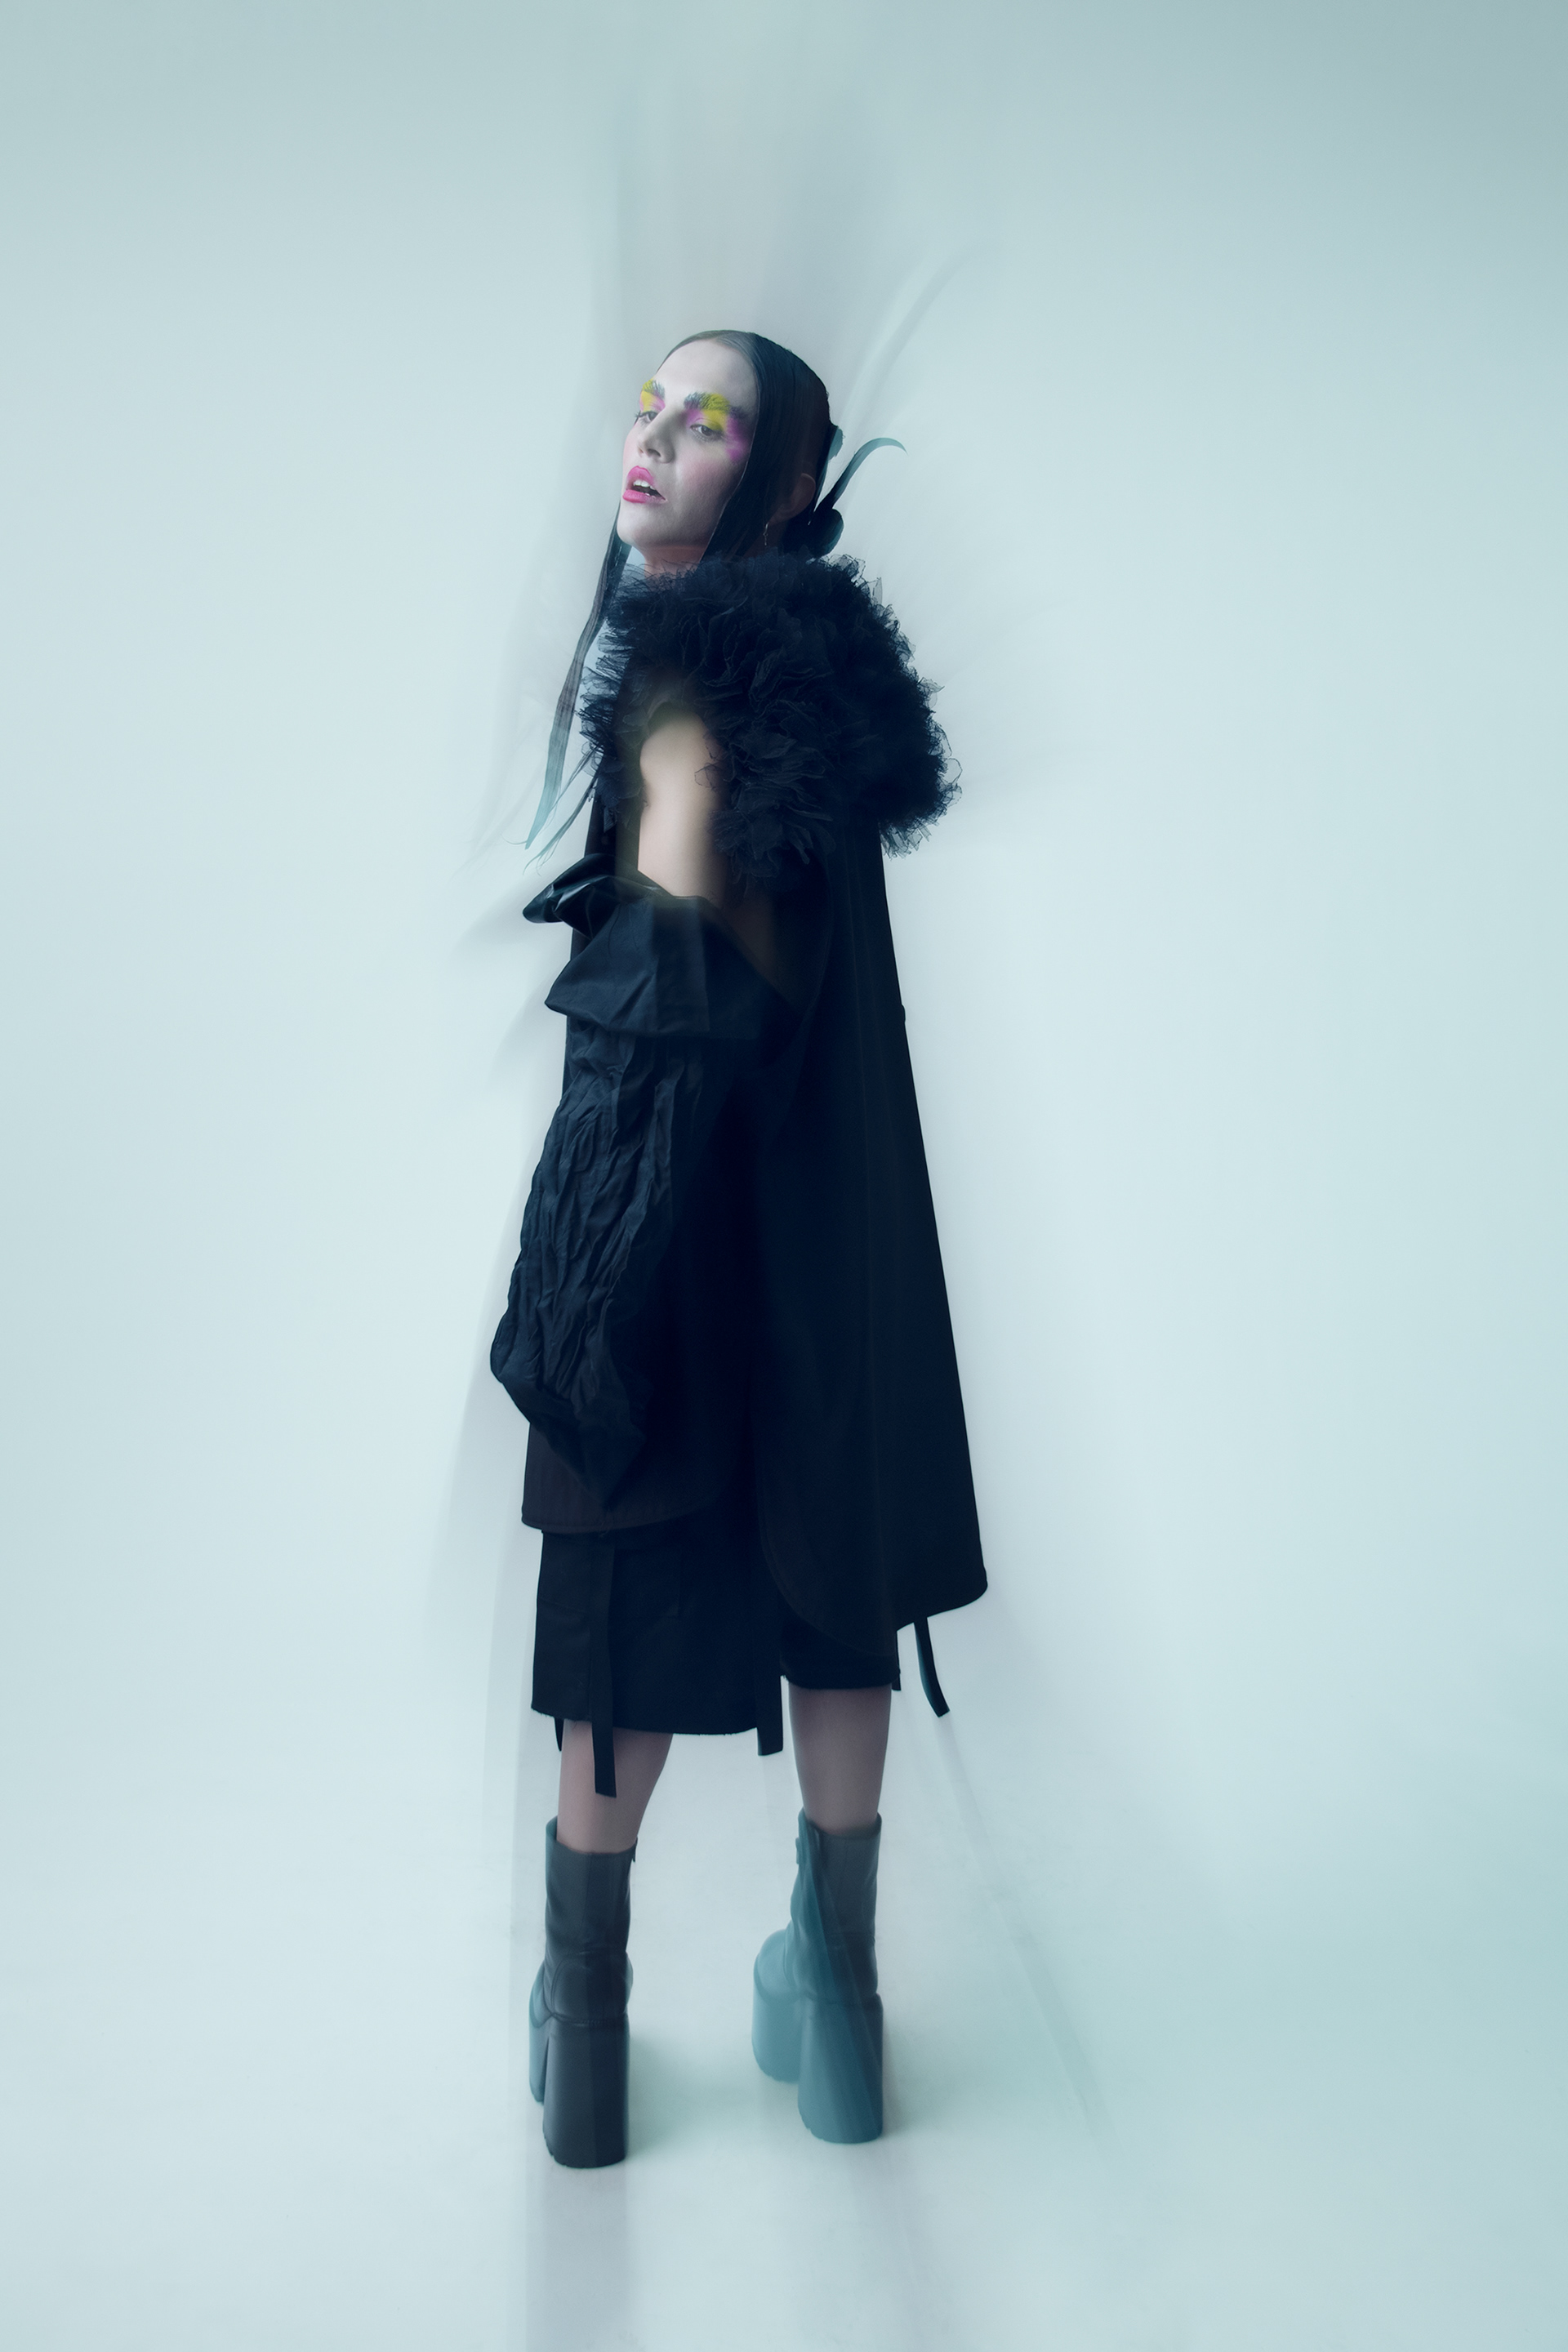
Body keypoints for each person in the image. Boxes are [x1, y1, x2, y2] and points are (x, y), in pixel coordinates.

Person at [491, 331, 986, 2167]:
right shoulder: (815, 680)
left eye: (704, 424)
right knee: (831, 1572)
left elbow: (671, 988)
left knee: (619, 1572)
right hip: (828, 1228)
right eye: (647, 408)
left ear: (778, 480)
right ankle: (838, 2007)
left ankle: (588, 2025)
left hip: (683, 1213)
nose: (652, 440)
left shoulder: (693, 675)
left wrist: (583, 1269)